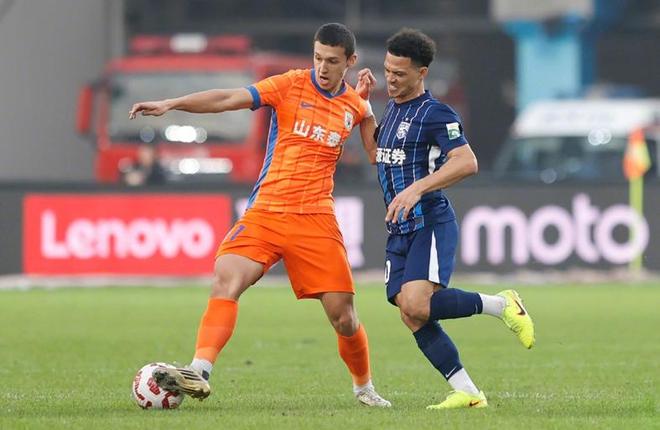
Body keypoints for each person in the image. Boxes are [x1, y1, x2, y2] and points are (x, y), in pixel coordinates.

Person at [128, 23, 390, 408]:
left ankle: (364, 388)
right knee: (226, 279)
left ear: (350, 61)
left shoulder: (356, 105)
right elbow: (228, 98)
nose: (322, 67)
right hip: (267, 210)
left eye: (333, 61)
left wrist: (369, 110)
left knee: (344, 317)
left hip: (315, 218)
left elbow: (375, 154)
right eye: (318, 57)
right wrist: (171, 104)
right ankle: (199, 370)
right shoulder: (289, 84)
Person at [356, 28, 535, 409]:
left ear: (422, 72)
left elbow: (467, 162)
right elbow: (375, 154)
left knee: (418, 305)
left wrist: (417, 188)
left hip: (429, 222)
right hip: (399, 229)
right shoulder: (393, 108)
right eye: (387, 70)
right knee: (411, 313)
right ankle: (468, 393)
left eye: (399, 73)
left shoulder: (437, 113)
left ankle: (502, 305)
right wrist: (364, 108)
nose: (391, 79)